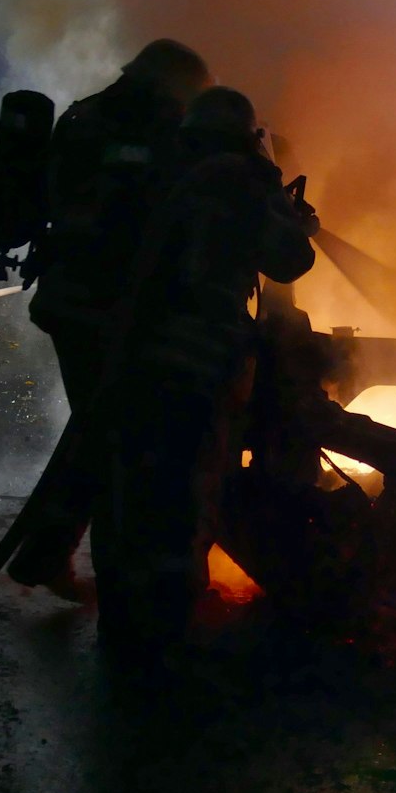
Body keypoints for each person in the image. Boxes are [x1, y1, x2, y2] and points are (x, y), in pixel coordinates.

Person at [93, 86, 318, 655]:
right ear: (246, 137)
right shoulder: (242, 182)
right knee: (189, 484)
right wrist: (296, 222)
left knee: (131, 478)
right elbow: (289, 261)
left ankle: (121, 618)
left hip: (130, 356)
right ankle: (171, 629)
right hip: (199, 362)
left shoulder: (157, 173)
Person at [9, 39, 214, 596]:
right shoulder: (160, 130)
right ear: (174, 84)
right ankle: (118, 584)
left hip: (71, 301)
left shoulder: (82, 116)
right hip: (119, 310)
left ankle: (48, 555)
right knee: (124, 440)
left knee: (99, 429)